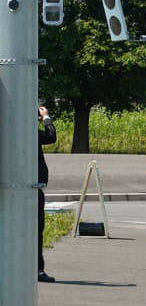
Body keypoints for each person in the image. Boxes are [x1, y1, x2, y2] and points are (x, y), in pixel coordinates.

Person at [37, 105, 57, 283]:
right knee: (37, 230)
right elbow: (51, 136)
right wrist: (46, 118)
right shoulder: (31, 133)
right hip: (33, 189)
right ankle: (38, 270)